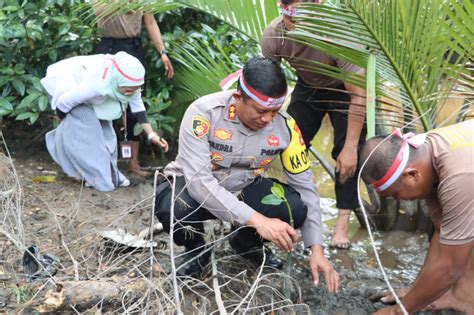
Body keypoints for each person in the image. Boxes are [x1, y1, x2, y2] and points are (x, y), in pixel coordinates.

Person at [154, 56, 339, 292]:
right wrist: (258, 221)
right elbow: (199, 183)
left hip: (244, 188)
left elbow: (306, 187)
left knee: (294, 206)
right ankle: (196, 249)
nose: (268, 120)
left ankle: (246, 243)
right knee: (173, 206)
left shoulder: (287, 128)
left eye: (275, 112)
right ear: (238, 98)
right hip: (194, 190)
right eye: (261, 111)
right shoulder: (203, 113)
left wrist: (317, 249)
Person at [261, 0, 367, 249]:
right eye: (293, 20)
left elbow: (359, 96)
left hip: (344, 90)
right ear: (282, 10)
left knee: (347, 153)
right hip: (308, 86)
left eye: (306, 18)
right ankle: (285, 207)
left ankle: (342, 221)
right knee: (287, 142)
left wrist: (351, 147)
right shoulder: (275, 35)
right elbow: (268, 84)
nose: (300, 27)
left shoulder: (338, 36)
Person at [360, 120, 473, 314]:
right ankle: (464, 295)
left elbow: (450, 267)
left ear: (412, 175)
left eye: (395, 194)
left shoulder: (459, 177)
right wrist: (419, 292)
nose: (398, 200)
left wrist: (398, 311)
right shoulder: (425, 153)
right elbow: (443, 229)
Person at [41, 52, 169, 192]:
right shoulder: (96, 86)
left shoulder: (132, 82)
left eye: (134, 90)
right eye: (127, 90)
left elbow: (138, 108)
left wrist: (152, 135)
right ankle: (97, 179)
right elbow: (64, 103)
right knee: (88, 137)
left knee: (108, 136)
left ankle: (110, 175)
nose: (130, 93)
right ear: (117, 82)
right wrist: (64, 123)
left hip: (96, 99)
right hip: (69, 86)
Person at [93, 0, 174, 177]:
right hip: (108, 48)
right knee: (102, 105)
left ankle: (133, 164)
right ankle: (102, 163)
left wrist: (163, 53)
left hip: (133, 48)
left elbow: (150, 22)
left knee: (132, 112)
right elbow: (100, 11)